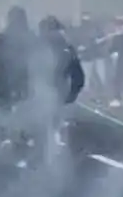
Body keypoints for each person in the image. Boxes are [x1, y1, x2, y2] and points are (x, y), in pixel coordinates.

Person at [0, 6, 39, 162]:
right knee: (23, 120)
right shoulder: (32, 38)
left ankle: (3, 155)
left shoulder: (0, 38)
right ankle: (21, 152)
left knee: (5, 119)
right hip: (26, 87)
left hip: (5, 86)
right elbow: (40, 65)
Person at [32, 15, 85, 158]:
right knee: (56, 125)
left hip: (42, 92)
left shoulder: (38, 46)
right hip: (60, 92)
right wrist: (72, 94)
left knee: (43, 128)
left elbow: (25, 70)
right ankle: (59, 157)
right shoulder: (67, 47)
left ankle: (44, 158)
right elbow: (78, 76)